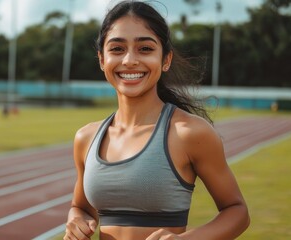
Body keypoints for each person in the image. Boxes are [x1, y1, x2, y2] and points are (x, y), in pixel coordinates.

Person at [64, 1, 250, 240]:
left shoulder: (189, 133)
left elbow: (237, 212)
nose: (130, 60)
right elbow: (80, 207)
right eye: (117, 49)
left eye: (145, 49)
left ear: (166, 60)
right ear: (102, 60)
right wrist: (75, 219)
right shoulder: (86, 138)